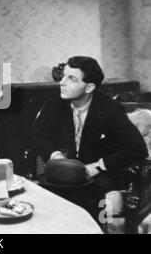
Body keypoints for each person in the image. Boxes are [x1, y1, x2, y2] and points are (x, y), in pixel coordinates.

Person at [32, 56, 148, 222]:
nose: (62, 83)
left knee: (91, 212)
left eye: (71, 79)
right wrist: (54, 155)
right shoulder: (55, 105)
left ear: (89, 87)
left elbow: (137, 148)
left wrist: (98, 166)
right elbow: (38, 137)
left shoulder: (109, 109)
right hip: (64, 176)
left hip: (100, 177)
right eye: (63, 76)